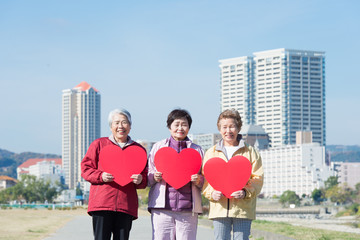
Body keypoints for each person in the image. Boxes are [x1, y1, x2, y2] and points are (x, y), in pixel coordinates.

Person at [81, 108, 148, 240]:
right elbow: (86, 169)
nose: (120, 126)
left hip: (126, 206)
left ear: (130, 126)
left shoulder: (139, 150)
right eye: (116, 122)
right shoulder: (99, 144)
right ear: (111, 126)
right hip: (102, 204)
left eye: (124, 122)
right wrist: (101, 176)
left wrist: (141, 179)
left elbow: (145, 177)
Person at [202, 109, 263, 240]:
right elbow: (205, 180)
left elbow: (257, 179)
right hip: (219, 208)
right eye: (224, 127)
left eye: (232, 127)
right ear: (219, 129)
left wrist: (246, 192)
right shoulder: (211, 153)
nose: (228, 131)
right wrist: (211, 193)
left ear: (238, 128)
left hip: (243, 209)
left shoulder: (251, 152)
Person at [147, 109, 204, 240]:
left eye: (184, 124)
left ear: (189, 127)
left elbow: (206, 178)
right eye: (176, 124)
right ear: (169, 127)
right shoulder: (158, 147)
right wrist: (154, 177)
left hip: (188, 210)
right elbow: (148, 175)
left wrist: (199, 180)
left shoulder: (197, 150)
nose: (180, 128)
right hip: (162, 208)